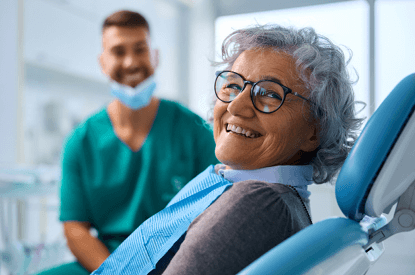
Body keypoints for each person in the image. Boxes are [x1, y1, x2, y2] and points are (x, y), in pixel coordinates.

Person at [92, 24, 364, 275]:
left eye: (269, 93)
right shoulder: (236, 184)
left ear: (314, 131)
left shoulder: (259, 202)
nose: (235, 106)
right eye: (233, 85)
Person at [36, 10, 218, 275]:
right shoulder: (81, 142)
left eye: (140, 49)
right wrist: (115, 271)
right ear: (102, 62)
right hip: (107, 261)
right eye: (118, 52)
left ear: (155, 56)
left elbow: (218, 209)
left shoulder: (193, 130)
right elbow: (75, 228)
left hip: (179, 259)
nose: (131, 62)